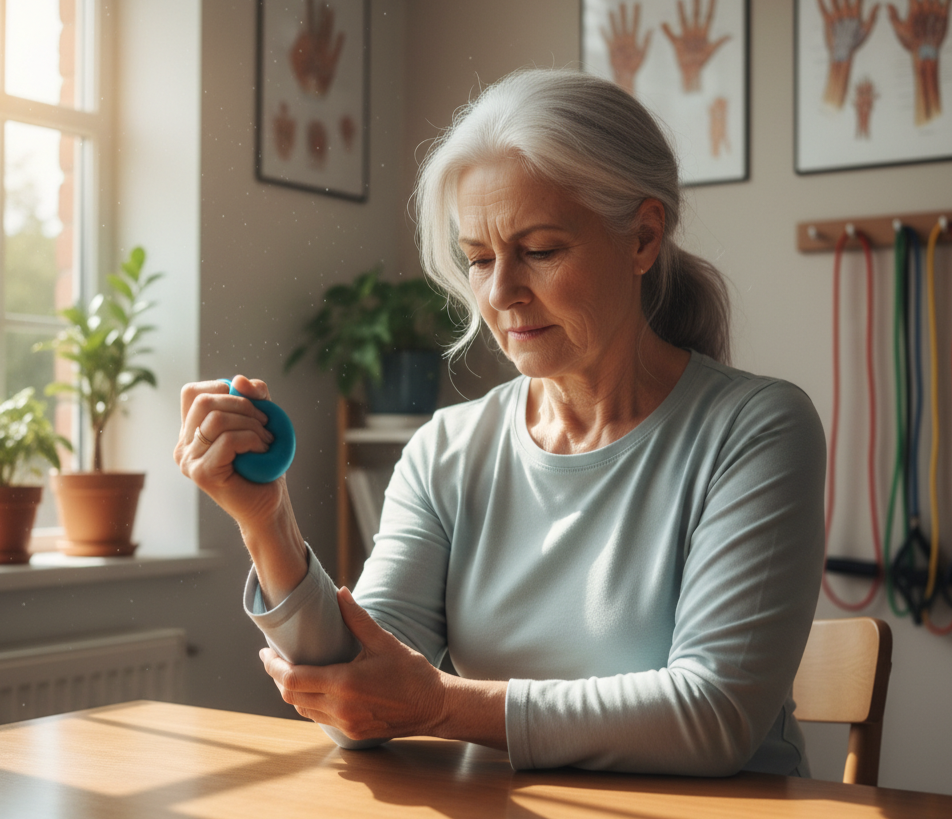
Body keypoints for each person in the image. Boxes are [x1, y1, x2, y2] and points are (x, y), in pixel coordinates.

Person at [175, 68, 825, 777]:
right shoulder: (446, 450)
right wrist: (266, 520)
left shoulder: (758, 429)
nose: (501, 292)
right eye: (479, 259)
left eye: (540, 251)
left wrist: (441, 706)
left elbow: (714, 716)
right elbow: (360, 696)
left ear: (642, 238)